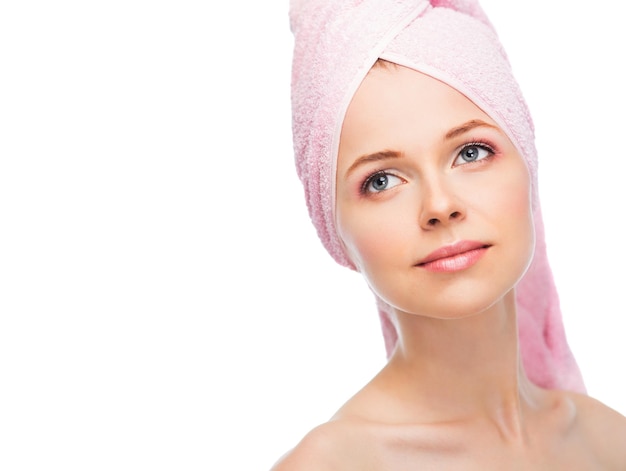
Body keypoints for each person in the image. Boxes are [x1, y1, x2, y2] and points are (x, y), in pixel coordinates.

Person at [273, 0, 626, 468]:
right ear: (332, 228)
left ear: (528, 163)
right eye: (380, 180)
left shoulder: (608, 439)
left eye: (472, 152)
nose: (440, 206)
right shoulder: (333, 463)